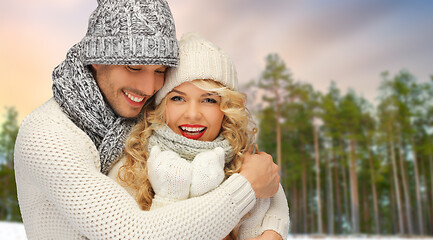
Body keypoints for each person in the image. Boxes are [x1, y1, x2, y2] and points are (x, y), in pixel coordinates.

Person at [13, 0, 280, 239]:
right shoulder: (46, 136)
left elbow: (256, 169)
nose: (149, 87)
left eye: (160, 70)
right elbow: (131, 233)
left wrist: (272, 227)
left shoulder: (138, 109)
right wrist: (246, 187)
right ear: (96, 60)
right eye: (134, 67)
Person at [108, 33, 289, 240]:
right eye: (177, 98)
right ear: (159, 107)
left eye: (209, 100)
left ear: (227, 108)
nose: (192, 114)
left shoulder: (250, 166)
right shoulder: (129, 169)